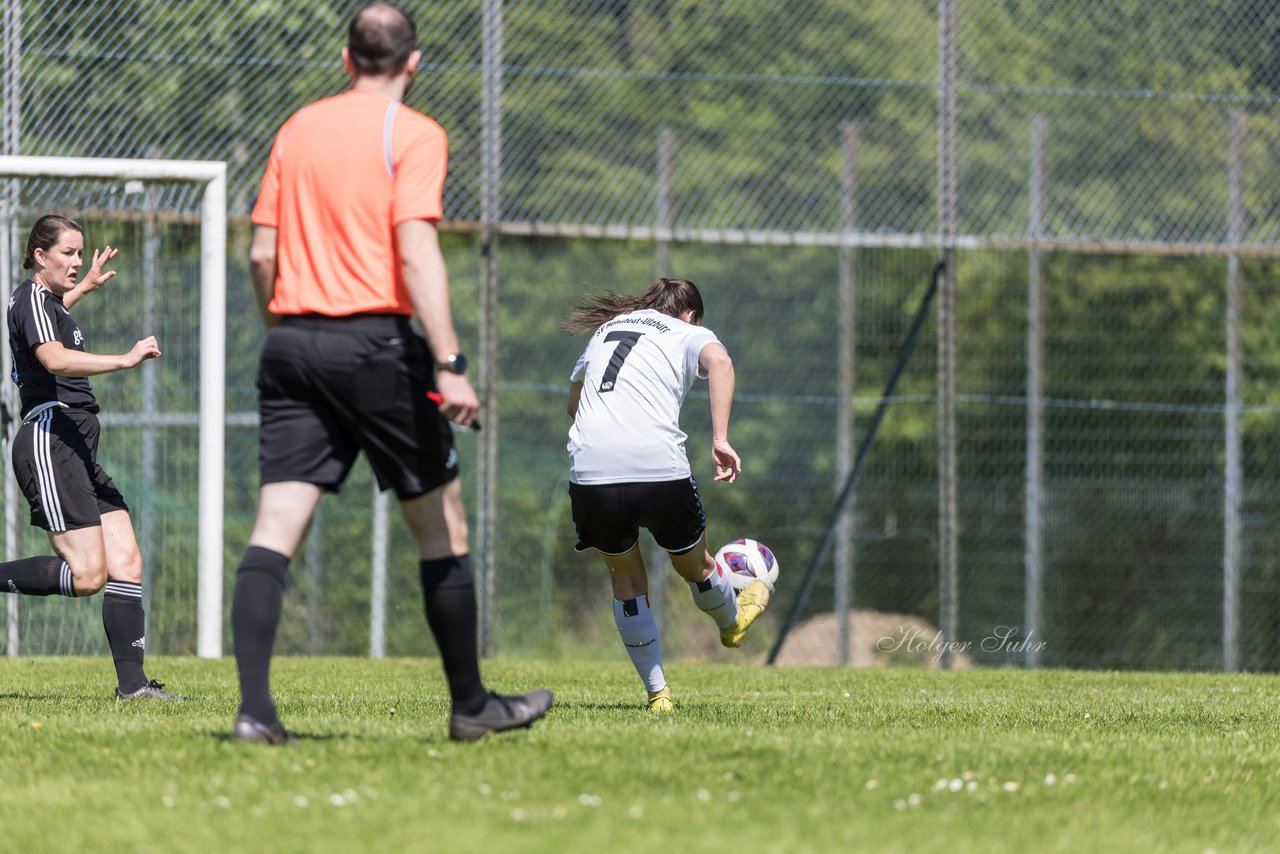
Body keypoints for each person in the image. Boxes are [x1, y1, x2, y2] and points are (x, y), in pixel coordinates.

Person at [234, 1, 552, 744]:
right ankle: (472, 706)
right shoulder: (413, 134)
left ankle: (254, 713)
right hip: (375, 344)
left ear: (347, 60)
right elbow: (415, 252)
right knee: (442, 525)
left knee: (275, 525)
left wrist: (283, 329)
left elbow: (258, 254)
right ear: (413, 62)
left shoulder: (299, 127)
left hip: (291, 343)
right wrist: (452, 364)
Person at [563, 277, 769, 712]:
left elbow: (573, 404)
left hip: (590, 468)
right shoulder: (688, 332)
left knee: (626, 581)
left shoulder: (606, 330)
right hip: (655, 465)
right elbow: (722, 363)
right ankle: (731, 622)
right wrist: (720, 438)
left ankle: (659, 694)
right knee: (695, 566)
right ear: (690, 314)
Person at [1, 214, 183, 701]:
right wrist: (124, 360)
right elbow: (55, 359)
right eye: (68, 253)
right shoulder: (35, 300)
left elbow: (52, 319)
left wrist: (84, 290)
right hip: (51, 439)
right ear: (40, 256)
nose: (78, 262)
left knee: (127, 560)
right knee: (87, 576)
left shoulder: (46, 303)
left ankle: (134, 688)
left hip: (77, 444)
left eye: (81, 253)